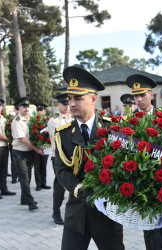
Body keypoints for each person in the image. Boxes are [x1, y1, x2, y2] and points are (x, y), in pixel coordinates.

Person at [54, 66, 124, 249]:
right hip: (76, 215)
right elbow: (61, 170)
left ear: (93, 99)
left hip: (107, 215)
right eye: (70, 98)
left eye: (78, 98)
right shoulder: (63, 134)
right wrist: (83, 192)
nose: (72, 103)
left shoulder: (113, 130)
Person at [127, 74, 162, 250]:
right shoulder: (128, 121)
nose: (139, 99)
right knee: (148, 223)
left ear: (152, 95)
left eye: (143, 95)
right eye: (136, 96)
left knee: (159, 224)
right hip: (140, 177)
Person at [11, 97, 44, 211]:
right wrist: (36, 149)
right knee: (24, 177)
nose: (26, 108)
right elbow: (23, 139)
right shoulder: (17, 121)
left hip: (29, 152)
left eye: (27, 106)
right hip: (19, 152)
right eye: (23, 106)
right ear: (18, 108)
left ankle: (23, 199)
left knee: (28, 176)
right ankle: (30, 202)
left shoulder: (31, 119)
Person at [48, 93, 72, 225]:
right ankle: (56, 213)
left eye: (68, 104)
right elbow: (60, 140)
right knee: (60, 185)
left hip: (73, 157)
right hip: (59, 157)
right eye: (64, 104)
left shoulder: (72, 118)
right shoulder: (54, 120)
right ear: (58, 105)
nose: (67, 107)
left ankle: (72, 212)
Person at [33, 103, 51, 191]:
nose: (39, 112)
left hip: (45, 147)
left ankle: (44, 182)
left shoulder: (48, 121)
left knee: (44, 165)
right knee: (37, 166)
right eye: (38, 110)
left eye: (41, 110)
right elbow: (32, 134)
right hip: (36, 147)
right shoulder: (33, 121)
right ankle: (38, 184)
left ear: (44, 111)